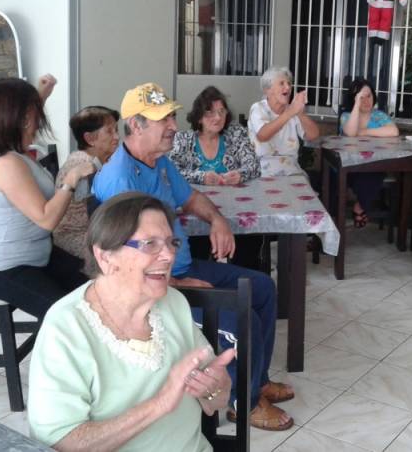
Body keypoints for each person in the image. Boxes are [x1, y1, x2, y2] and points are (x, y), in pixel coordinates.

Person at [93, 82, 294, 431]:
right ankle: (241, 404)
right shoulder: (119, 180)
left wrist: (217, 219)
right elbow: (124, 265)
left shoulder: (159, 163)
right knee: (243, 321)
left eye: (172, 116)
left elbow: (190, 198)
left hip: (180, 268)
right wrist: (177, 284)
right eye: (163, 119)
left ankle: (256, 381)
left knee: (261, 287)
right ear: (136, 125)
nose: (173, 125)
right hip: (154, 288)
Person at [28, 192, 235, 451]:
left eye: (172, 243)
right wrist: (159, 404)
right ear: (105, 257)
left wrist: (215, 387)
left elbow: (216, 397)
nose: (168, 256)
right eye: (150, 244)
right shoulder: (66, 328)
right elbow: (59, 442)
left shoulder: (173, 303)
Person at [0, 76, 93, 319]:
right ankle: (60, 354)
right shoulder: (7, 164)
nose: (37, 124)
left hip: (40, 256)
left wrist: (42, 93)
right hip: (7, 269)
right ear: (19, 119)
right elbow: (47, 219)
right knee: (66, 316)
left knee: (95, 291)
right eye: (32, 117)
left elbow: (25, 110)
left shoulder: (18, 153)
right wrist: (70, 181)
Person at [169, 86, 262, 269]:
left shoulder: (236, 134)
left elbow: (254, 167)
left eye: (221, 112)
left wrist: (240, 174)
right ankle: (205, 284)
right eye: (210, 112)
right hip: (199, 212)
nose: (218, 118)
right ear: (199, 117)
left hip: (235, 210)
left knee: (248, 244)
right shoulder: (184, 140)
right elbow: (172, 171)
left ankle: (244, 283)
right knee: (197, 250)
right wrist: (200, 176)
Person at [53, 106, 120, 260]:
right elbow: (96, 209)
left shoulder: (97, 160)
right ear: (90, 139)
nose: (117, 137)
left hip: (91, 231)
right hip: (74, 235)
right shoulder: (84, 165)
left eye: (116, 130)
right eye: (110, 131)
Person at [339, 77, 399, 228]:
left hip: (373, 164)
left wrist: (364, 131)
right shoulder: (346, 116)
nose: (366, 100)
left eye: (369, 96)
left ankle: (359, 205)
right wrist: (356, 106)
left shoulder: (379, 116)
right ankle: (356, 207)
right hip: (349, 164)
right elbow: (351, 133)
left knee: (375, 173)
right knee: (356, 178)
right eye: (361, 97)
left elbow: (393, 131)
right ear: (353, 99)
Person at [248, 66, 320, 176]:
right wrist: (290, 112)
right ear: (268, 90)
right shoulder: (258, 108)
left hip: (291, 169)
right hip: (262, 170)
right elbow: (262, 135)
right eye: (282, 83)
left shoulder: (292, 110)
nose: (288, 87)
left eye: (289, 83)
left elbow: (313, 135)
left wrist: (300, 113)